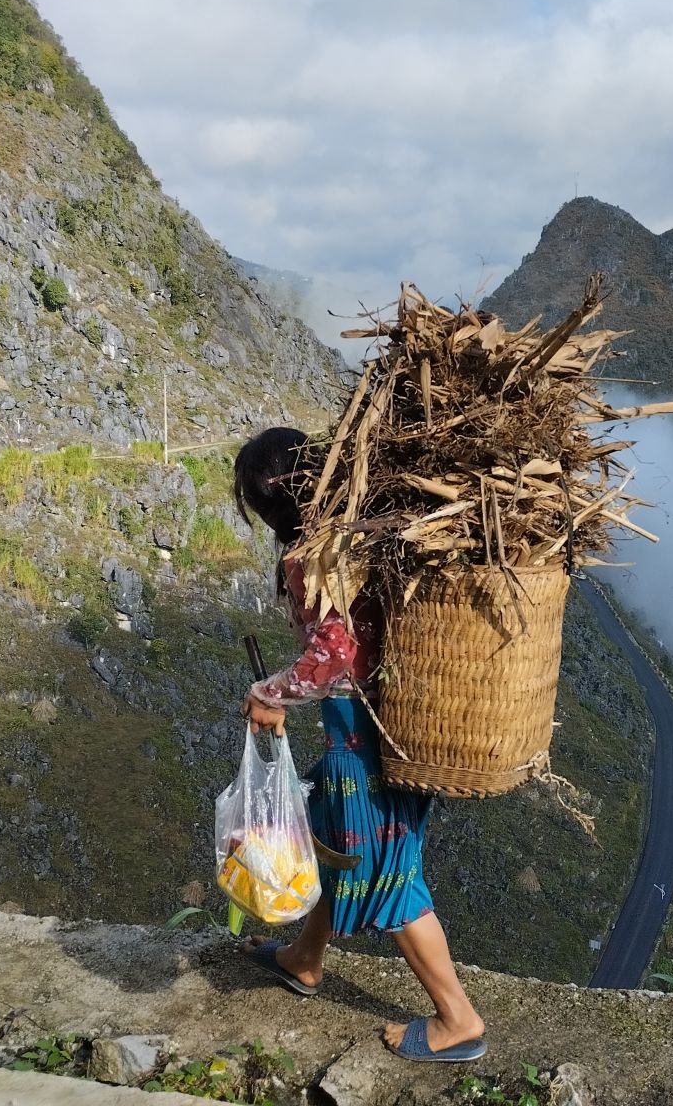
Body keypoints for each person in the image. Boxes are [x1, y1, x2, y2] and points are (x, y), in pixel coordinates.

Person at [231, 427, 487, 1063]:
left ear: (268, 498)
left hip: (361, 744)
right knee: (326, 846)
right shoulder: (355, 536)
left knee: (393, 879)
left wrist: (270, 693)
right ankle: (305, 958)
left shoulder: (310, 556)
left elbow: (334, 655)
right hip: (386, 727)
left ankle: (458, 1018)